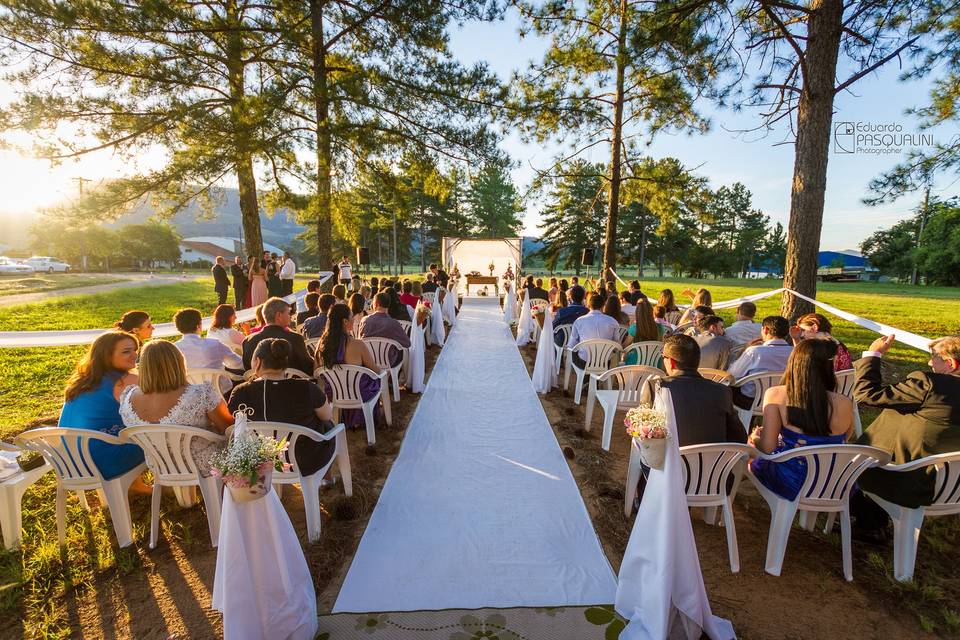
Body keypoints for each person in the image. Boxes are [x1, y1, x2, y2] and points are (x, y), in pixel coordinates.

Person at [852, 334, 960, 530]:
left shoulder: (930, 384)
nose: (929, 362)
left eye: (934, 357)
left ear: (951, 363)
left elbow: (866, 394)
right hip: (950, 487)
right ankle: (871, 523)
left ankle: (864, 518)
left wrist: (873, 354)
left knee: (839, 467)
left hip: (905, 480)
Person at [749, 340, 854, 500]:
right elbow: (845, 437)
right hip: (834, 480)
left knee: (748, 460)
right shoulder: (845, 402)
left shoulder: (776, 394)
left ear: (794, 363)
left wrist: (755, 439)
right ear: (828, 367)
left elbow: (768, 447)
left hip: (793, 481)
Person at [119, 340, 233, 474]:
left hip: (161, 465)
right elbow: (229, 427)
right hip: (202, 464)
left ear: (143, 367)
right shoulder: (201, 393)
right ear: (179, 363)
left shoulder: (128, 396)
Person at [229, 339, 337, 478]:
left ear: (257, 361)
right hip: (305, 460)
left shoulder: (240, 392)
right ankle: (326, 479)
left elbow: (235, 422)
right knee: (327, 424)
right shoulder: (306, 388)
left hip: (260, 460)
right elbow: (326, 416)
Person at [58, 331, 146, 483]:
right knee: (158, 438)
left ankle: (134, 486)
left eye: (135, 350)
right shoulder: (125, 380)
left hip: (69, 460)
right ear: (107, 356)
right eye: (126, 352)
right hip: (101, 461)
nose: (134, 355)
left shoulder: (83, 380)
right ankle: (171, 487)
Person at [639, 334, 745, 446]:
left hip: (667, 461)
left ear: (671, 362)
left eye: (663, 357)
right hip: (712, 462)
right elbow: (740, 438)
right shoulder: (722, 391)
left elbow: (643, 430)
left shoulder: (655, 386)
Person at [316, 303, 383, 427]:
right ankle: (363, 420)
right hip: (359, 393)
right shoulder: (358, 345)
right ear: (345, 321)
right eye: (351, 316)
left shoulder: (321, 345)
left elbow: (316, 371)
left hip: (335, 393)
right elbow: (375, 371)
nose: (354, 319)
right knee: (377, 379)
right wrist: (381, 370)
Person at [727, 315, 793, 410]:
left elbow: (732, 375)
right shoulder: (794, 352)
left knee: (727, 389)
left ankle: (743, 421)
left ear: (765, 330)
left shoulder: (754, 352)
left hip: (752, 400)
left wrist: (745, 349)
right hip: (783, 399)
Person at [173, 308, 243, 390]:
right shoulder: (214, 344)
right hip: (221, 392)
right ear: (198, 326)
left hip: (190, 394)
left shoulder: (174, 349)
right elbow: (237, 363)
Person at [242, 297, 314, 375]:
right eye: (288, 313)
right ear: (279, 315)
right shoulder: (295, 338)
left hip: (259, 385)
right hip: (292, 385)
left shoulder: (248, 340)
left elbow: (247, 370)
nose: (290, 317)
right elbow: (308, 367)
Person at [567, 292, 620, 368]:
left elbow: (571, 345)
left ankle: (585, 377)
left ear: (588, 305)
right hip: (605, 362)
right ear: (603, 306)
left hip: (584, 362)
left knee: (574, 352)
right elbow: (616, 343)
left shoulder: (579, 321)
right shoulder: (612, 321)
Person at [359, 292, 412, 366]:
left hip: (368, 359)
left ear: (376, 304)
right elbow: (407, 343)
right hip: (388, 361)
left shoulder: (364, 320)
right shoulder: (394, 323)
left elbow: (360, 339)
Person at [625, 297, 666, 365]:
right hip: (655, 362)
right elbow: (660, 344)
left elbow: (625, 346)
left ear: (637, 313)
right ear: (651, 312)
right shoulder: (660, 327)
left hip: (636, 363)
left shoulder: (634, 328)